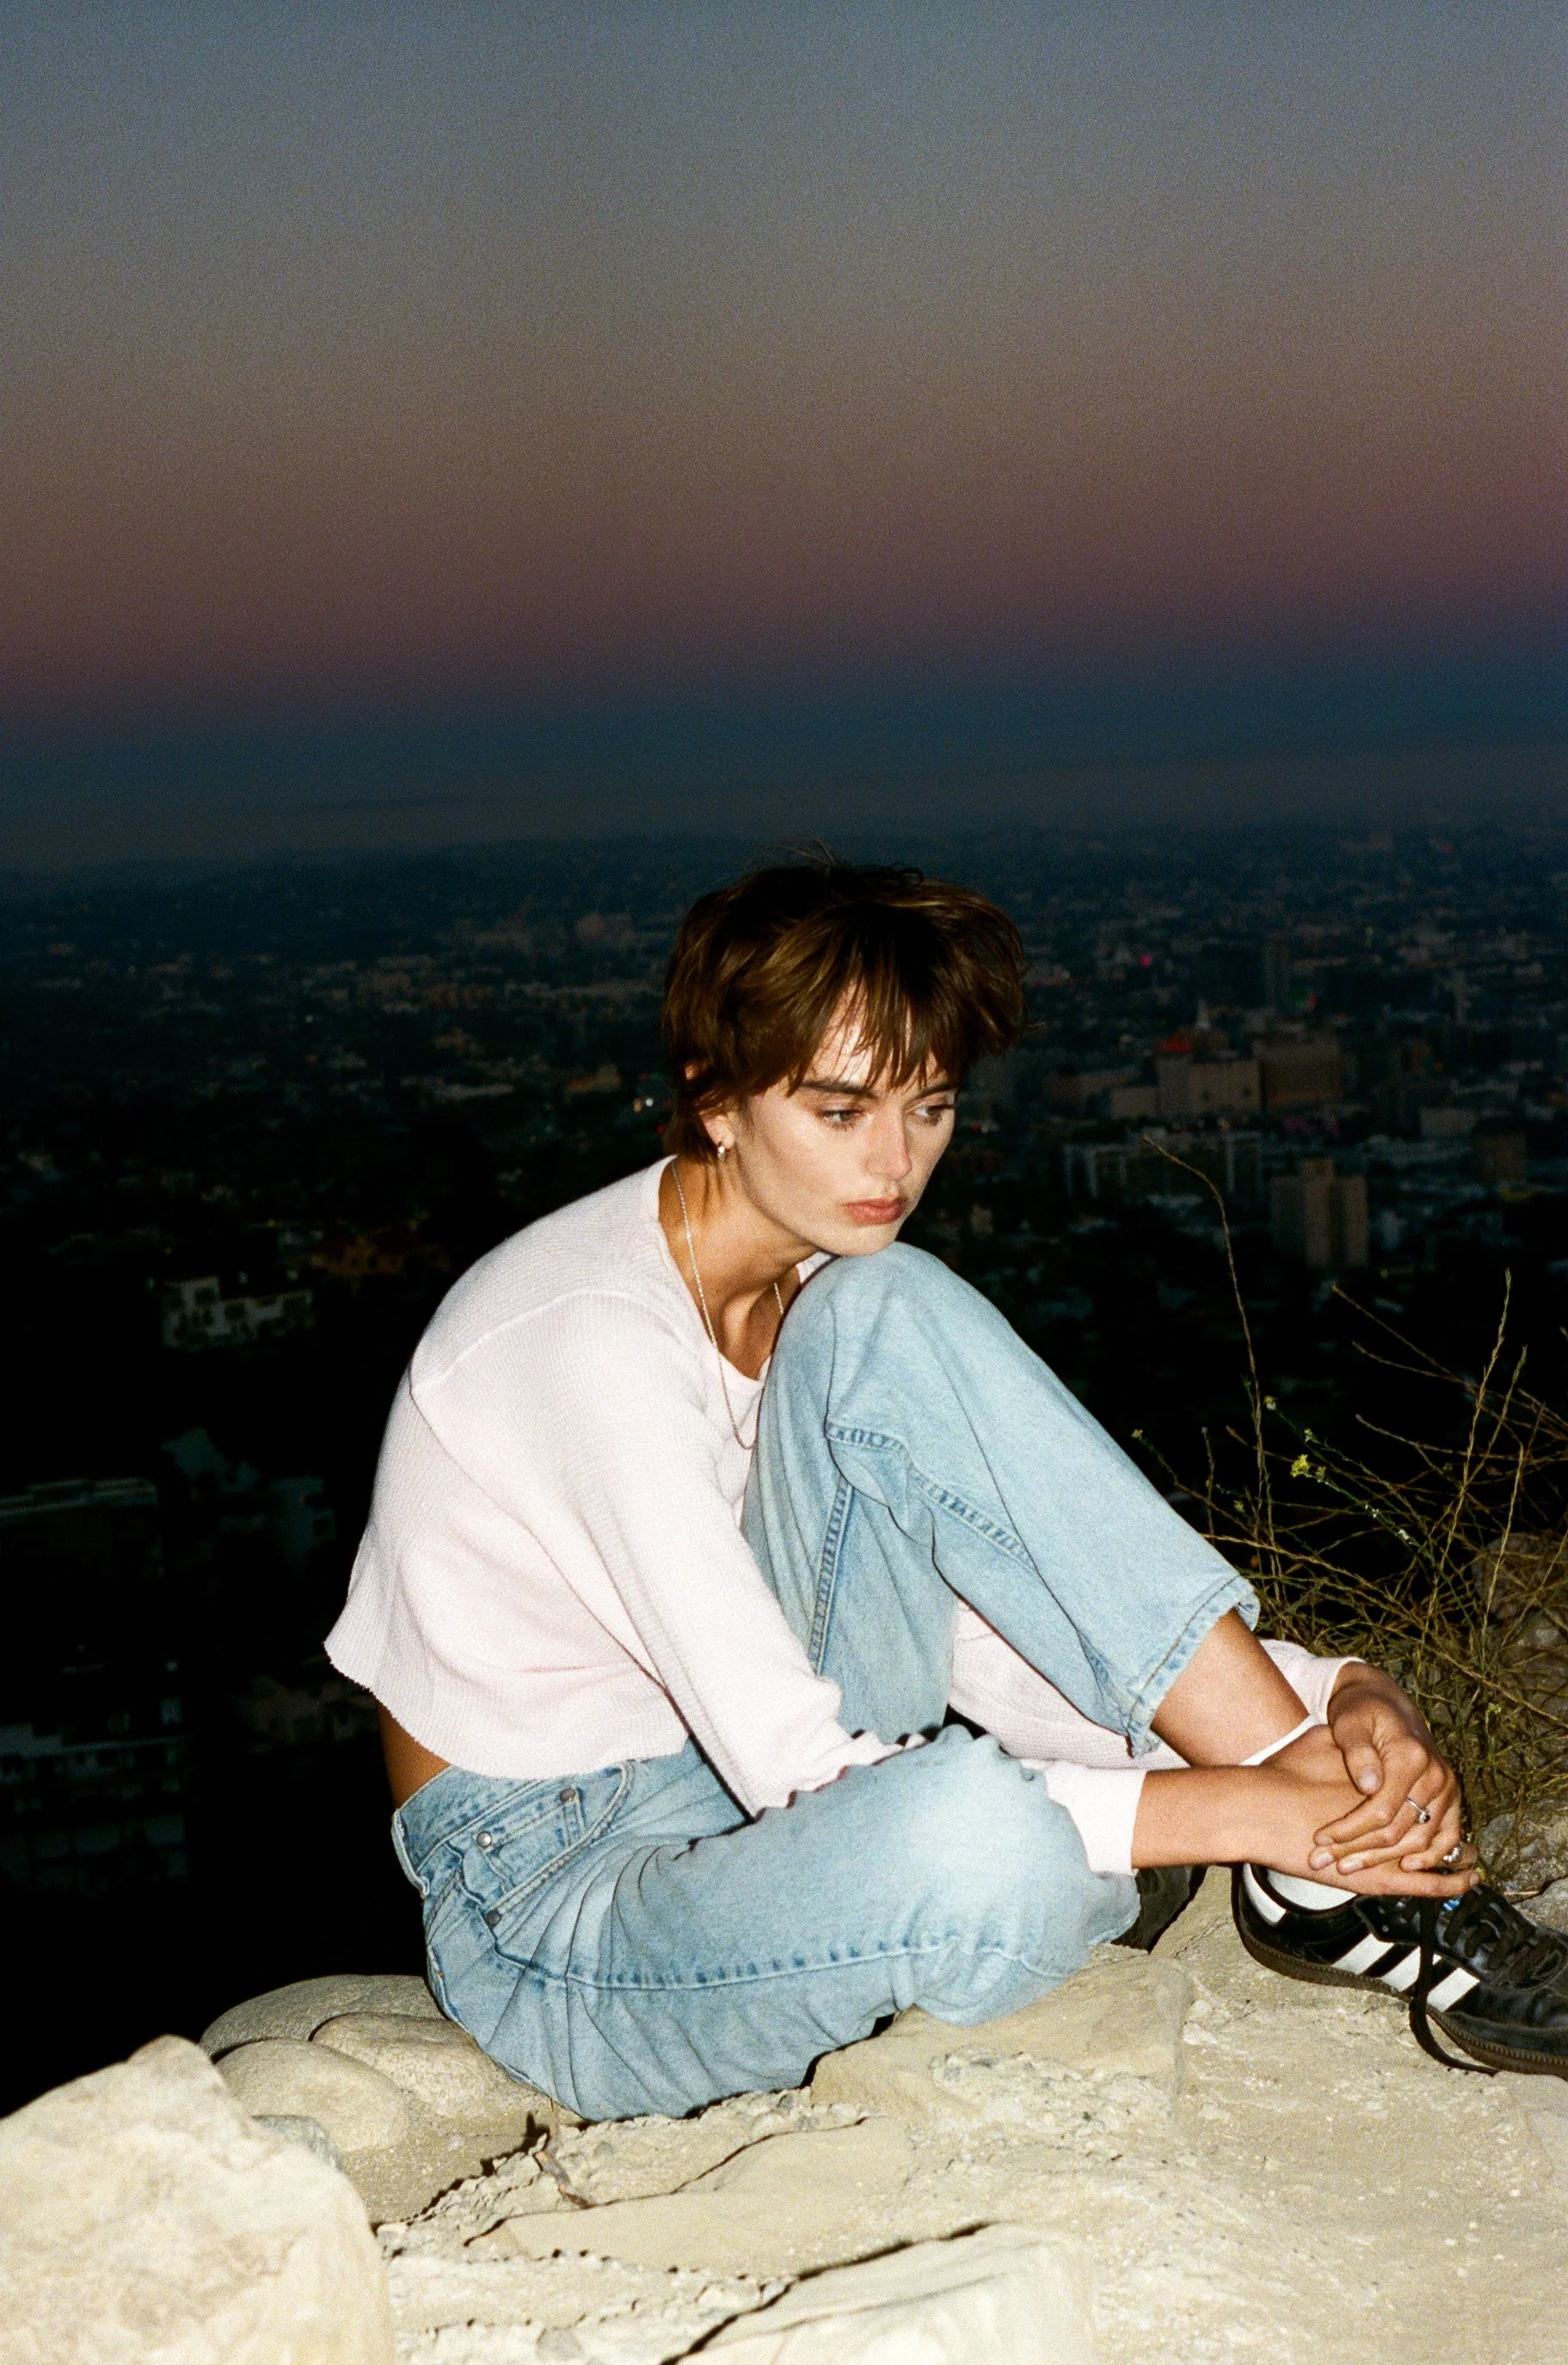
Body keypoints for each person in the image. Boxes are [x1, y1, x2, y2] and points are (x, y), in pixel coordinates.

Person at [327, 860, 1568, 2120]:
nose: (892, 1161)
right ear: (713, 1098)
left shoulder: (820, 1294)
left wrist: (1333, 1700)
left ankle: (1327, 1860)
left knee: (891, 1306)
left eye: (928, 1107)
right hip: (566, 1905)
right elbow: (797, 1771)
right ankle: (1265, 1845)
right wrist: (1247, 1813)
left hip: (738, 1788)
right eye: (836, 1110)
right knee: (979, 1850)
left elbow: (973, 1626)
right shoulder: (585, 1338)